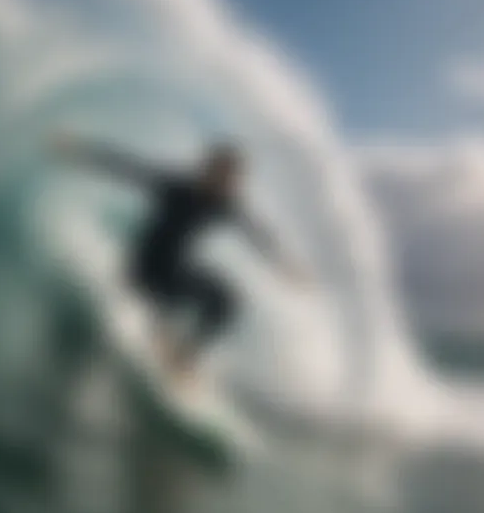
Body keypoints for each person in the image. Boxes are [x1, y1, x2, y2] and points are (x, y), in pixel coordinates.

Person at [51, 134, 304, 385]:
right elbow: (127, 167)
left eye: (232, 179)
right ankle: (162, 340)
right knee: (163, 300)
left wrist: (283, 264)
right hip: (144, 265)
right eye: (222, 174)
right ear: (209, 169)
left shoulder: (224, 205)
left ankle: (184, 356)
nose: (228, 184)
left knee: (227, 301)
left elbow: (256, 232)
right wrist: (80, 150)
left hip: (176, 271)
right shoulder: (177, 186)